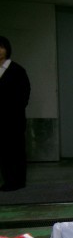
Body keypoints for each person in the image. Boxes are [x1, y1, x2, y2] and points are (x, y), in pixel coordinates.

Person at [0, 36, 31, 191]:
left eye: (1, 47)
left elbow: (24, 93)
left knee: (16, 149)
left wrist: (14, 110)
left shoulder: (17, 70)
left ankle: (18, 181)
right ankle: (8, 180)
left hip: (14, 118)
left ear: (7, 49)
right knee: (3, 150)